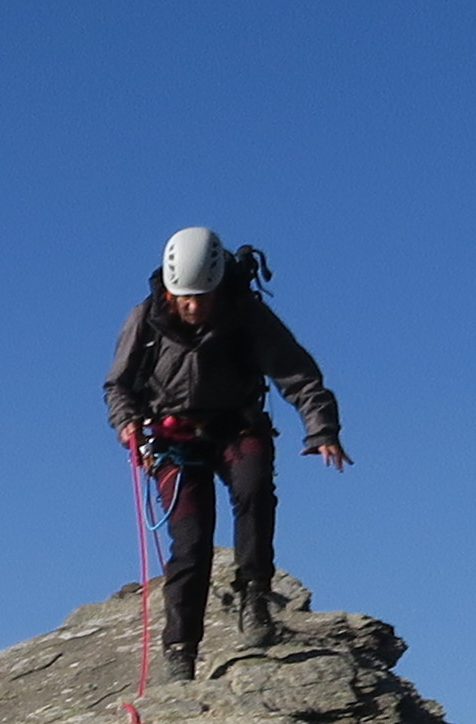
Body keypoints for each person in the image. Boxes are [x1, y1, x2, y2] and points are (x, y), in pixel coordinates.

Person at [102, 227, 347, 679]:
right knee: (190, 541)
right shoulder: (144, 319)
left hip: (237, 426)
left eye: (202, 296)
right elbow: (118, 385)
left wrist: (322, 429)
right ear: (170, 291)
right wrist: (127, 422)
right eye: (184, 297)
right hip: (173, 439)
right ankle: (181, 651)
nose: (193, 306)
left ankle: (254, 595)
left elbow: (297, 373)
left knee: (254, 494)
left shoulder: (247, 314)